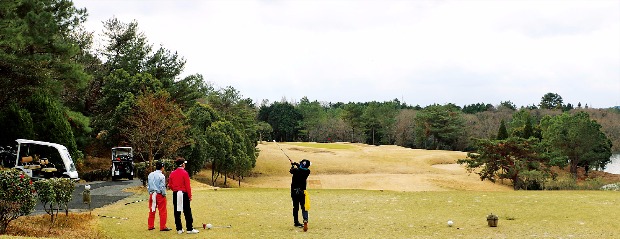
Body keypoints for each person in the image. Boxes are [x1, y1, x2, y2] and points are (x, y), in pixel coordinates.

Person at [168, 158, 199, 234]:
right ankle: (189, 228)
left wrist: (175, 190)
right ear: (182, 164)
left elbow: (170, 185)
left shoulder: (172, 173)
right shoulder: (185, 173)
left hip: (176, 193)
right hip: (183, 193)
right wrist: (189, 195)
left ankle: (179, 229)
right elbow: (187, 186)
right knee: (187, 211)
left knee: (177, 211)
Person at [147, 162, 171, 231]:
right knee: (162, 211)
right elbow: (162, 187)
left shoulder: (150, 174)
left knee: (152, 210)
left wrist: (150, 193)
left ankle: (150, 225)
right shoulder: (162, 176)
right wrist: (164, 194)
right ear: (162, 167)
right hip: (159, 194)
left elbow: (148, 185)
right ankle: (162, 226)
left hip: (152, 194)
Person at [290, 159, 311, 232]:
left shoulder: (296, 171)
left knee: (295, 207)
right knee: (304, 207)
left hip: (294, 192)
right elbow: (302, 168)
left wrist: (293, 164)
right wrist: (295, 163)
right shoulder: (307, 172)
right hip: (302, 192)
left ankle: (296, 222)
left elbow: (291, 170)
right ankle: (305, 219)